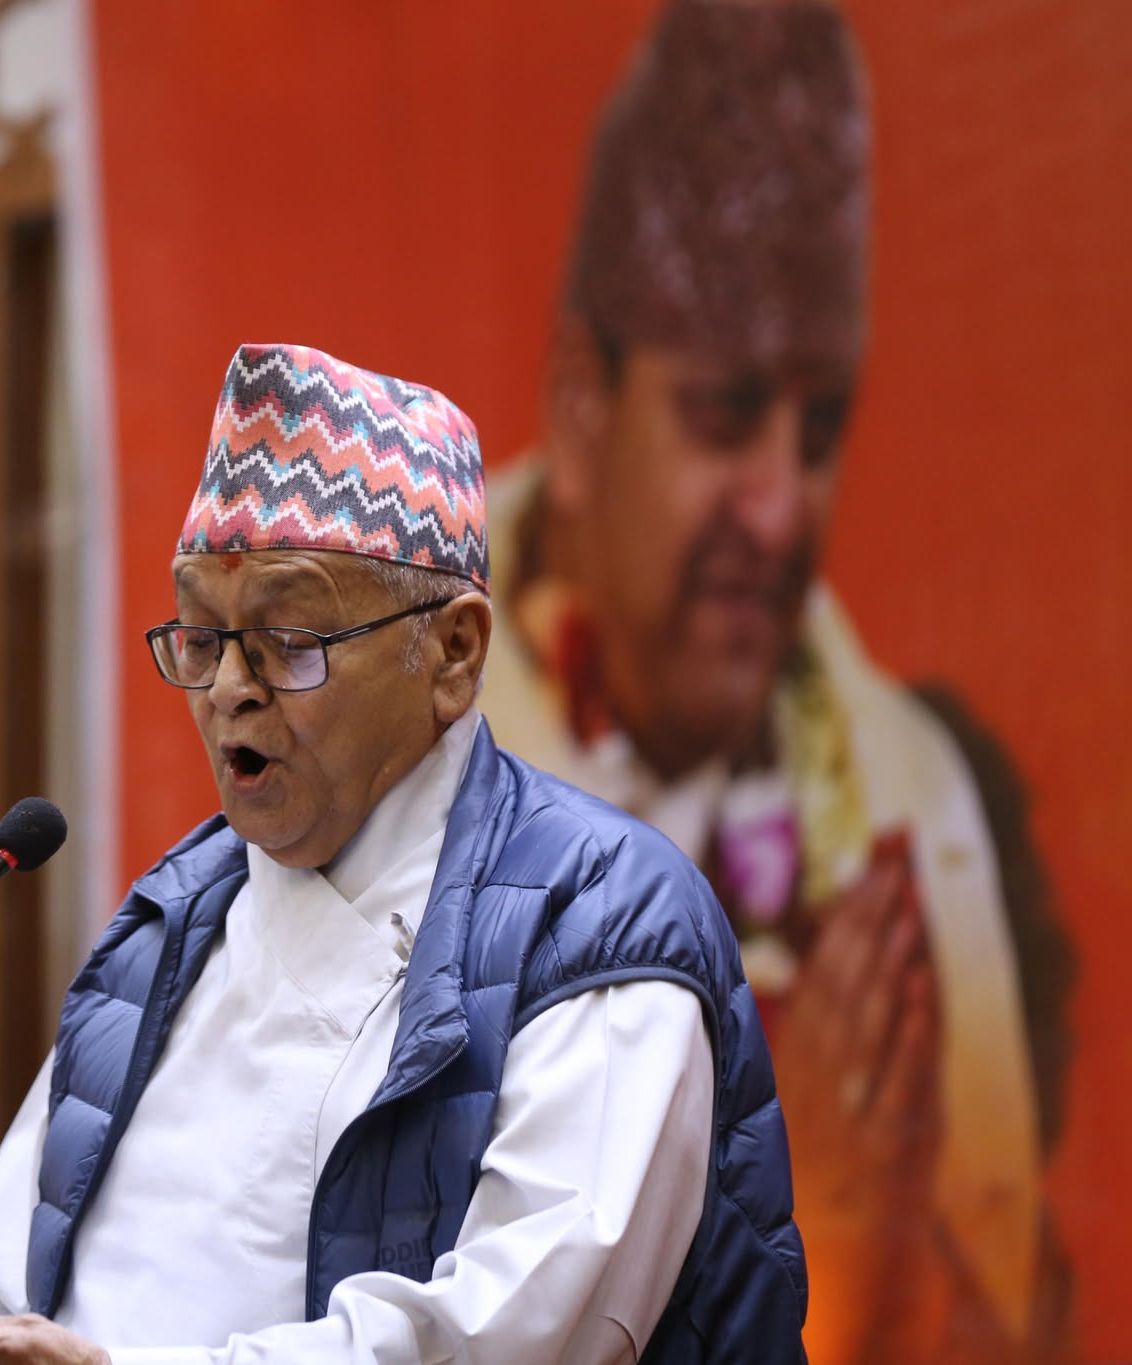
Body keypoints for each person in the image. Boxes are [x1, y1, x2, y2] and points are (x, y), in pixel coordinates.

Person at [0, 342, 805, 1364]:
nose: (227, 690)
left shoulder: (601, 917)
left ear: (453, 652)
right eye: (200, 637)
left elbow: (515, 1335)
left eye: (289, 641)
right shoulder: (160, 934)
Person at [479, 1, 1072, 1359]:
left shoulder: (914, 803)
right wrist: (818, 1223)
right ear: (578, 408)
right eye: (726, 414)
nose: (782, 508)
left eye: (819, 432)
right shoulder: (401, 771)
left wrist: (896, 1246)